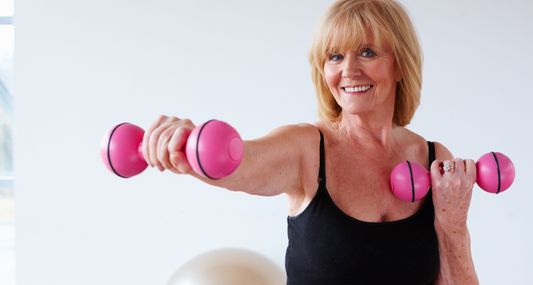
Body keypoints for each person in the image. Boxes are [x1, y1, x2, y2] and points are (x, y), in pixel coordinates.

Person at [142, 0, 479, 284]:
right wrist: (187, 143)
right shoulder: (306, 149)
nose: (349, 70)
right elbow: (238, 162)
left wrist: (453, 226)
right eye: (334, 56)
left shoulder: (433, 158)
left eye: (366, 52)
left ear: (400, 65)